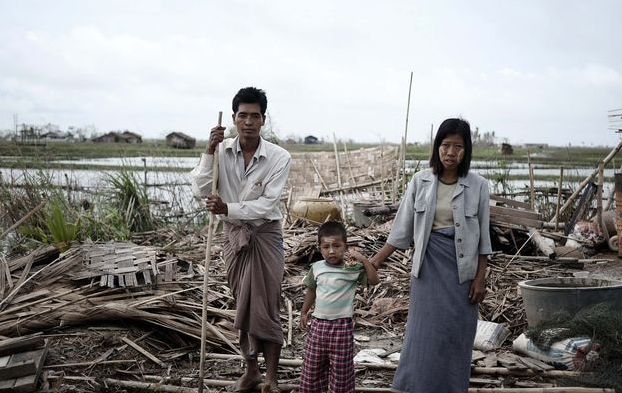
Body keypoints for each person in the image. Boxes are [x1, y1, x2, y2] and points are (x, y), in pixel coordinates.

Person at [370, 117, 492, 393]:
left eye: (458, 147)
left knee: (455, 334)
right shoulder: (420, 181)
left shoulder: (479, 186)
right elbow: (402, 230)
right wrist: (375, 261)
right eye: (446, 145)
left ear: (466, 150)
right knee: (422, 334)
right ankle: (413, 386)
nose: (451, 153)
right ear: (437, 147)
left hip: (463, 271)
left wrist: (480, 278)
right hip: (427, 268)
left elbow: (484, 238)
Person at [190, 87, 291, 393]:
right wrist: (209, 150)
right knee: (243, 304)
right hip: (234, 236)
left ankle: (271, 378)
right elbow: (199, 188)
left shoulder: (278, 157)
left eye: (255, 116)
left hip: (265, 235)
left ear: (263, 120)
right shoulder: (220, 152)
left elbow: (268, 204)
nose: (248, 121)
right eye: (243, 115)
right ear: (233, 118)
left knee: (268, 304)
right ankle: (251, 372)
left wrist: (228, 207)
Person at [299, 221, 380, 393]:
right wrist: (304, 312)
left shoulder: (352, 268)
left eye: (336, 246)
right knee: (312, 368)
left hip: (342, 326)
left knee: (341, 371)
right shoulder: (317, 268)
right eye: (326, 246)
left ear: (345, 246)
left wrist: (364, 260)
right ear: (320, 247)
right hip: (318, 325)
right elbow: (311, 290)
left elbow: (374, 280)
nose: (331, 251)